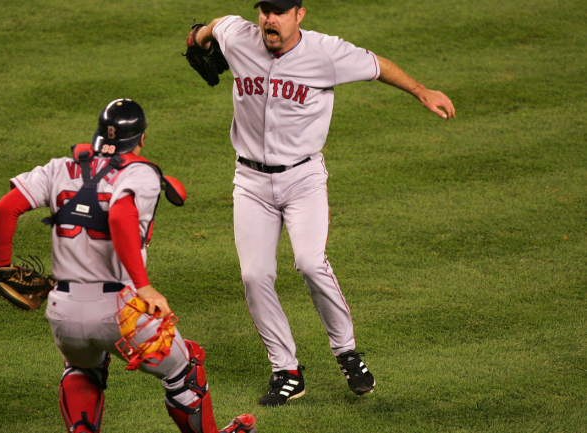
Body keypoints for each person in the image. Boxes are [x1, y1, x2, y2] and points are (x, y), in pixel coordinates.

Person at [186, 0, 455, 406]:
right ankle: (286, 371)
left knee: (310, 262)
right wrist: (198, 38)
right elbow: (215, 26)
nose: (269, 19)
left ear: (299, 14)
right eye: (264, 10)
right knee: (254, 276)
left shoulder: (327, 53)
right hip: (251, 182)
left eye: (278, 11)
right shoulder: (238, 37)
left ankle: (347, 353)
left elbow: (378, 65)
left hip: (303, 178)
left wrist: (421, 90)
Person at [0, 98, 256, 433]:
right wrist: (144, 285)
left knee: (82, 370)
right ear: (141, 139)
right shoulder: (140, 173)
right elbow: (120, 214)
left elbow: (5, 209)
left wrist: (1, 267)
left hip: (64, 311)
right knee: (185, 368)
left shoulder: (59, 167)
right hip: (119, 308)